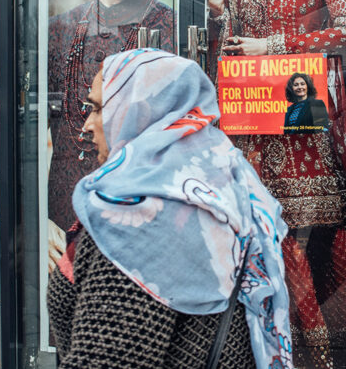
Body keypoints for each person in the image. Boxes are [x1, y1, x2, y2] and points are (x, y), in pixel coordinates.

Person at [46, 49, 293, 369]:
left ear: (139, 113)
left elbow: (105, 359)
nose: (87, 126)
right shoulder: (217, 181)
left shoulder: (138, 223)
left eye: (97, 109)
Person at [207, 0, 346, 368]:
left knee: (296, 242)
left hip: (302, 122)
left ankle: (323, 355)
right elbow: (233, 51)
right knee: (267, 239)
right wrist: (219, 4)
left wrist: (276, 44)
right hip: (257, 125)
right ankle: (273, 349)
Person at [47, 0, 175, 268]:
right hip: (64, 234)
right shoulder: (60, 31)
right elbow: (31, 137)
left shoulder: (177, 31)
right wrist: (37, 221)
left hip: (147, 239)